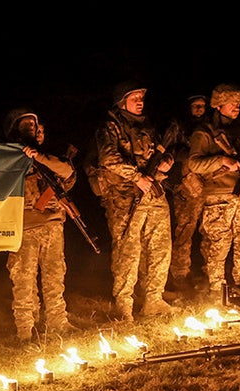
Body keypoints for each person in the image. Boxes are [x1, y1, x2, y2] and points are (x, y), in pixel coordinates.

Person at [93, 82, 175, 321]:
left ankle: (154, 299)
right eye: (134, 97)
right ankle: (124, 304)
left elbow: (162, 150)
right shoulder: (110, 126)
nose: (140, 101)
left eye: (141, 97)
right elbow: (108, 158)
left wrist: (167, 161)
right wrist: (137, 177)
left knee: (161, 247)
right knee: (128, 250)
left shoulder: (148, 126)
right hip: (124, 197)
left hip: (153, 192)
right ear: (122, 102)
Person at [187, 83, 240, 300]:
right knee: (219, 245)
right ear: (219, 104)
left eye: (239, 103)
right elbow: (194, 164)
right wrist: (222, 160)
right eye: (232, 103)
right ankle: (217, 292)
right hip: (219, 196)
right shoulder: (204, 132)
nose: (237, 107)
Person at [3, 108, 78, 340]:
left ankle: (58, 320)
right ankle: (25, 327)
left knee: (55, 276)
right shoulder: (7, 158)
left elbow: (67, 171)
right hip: (23, 228)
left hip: (53, 225)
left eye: (34, 126)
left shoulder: (48, 156)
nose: (32, 130)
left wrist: (39, 157)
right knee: (23, 279)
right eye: (25, 126)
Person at [162, 94, 208, 294]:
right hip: (186, 185)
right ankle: (179, 275)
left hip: (209, 184)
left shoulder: (209, 127)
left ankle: (210, 275)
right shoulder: (178, 127)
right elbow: (166, 152)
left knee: (210, 231)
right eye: (195, 106)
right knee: (184, 231)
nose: (199, 109)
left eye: (202, 106)